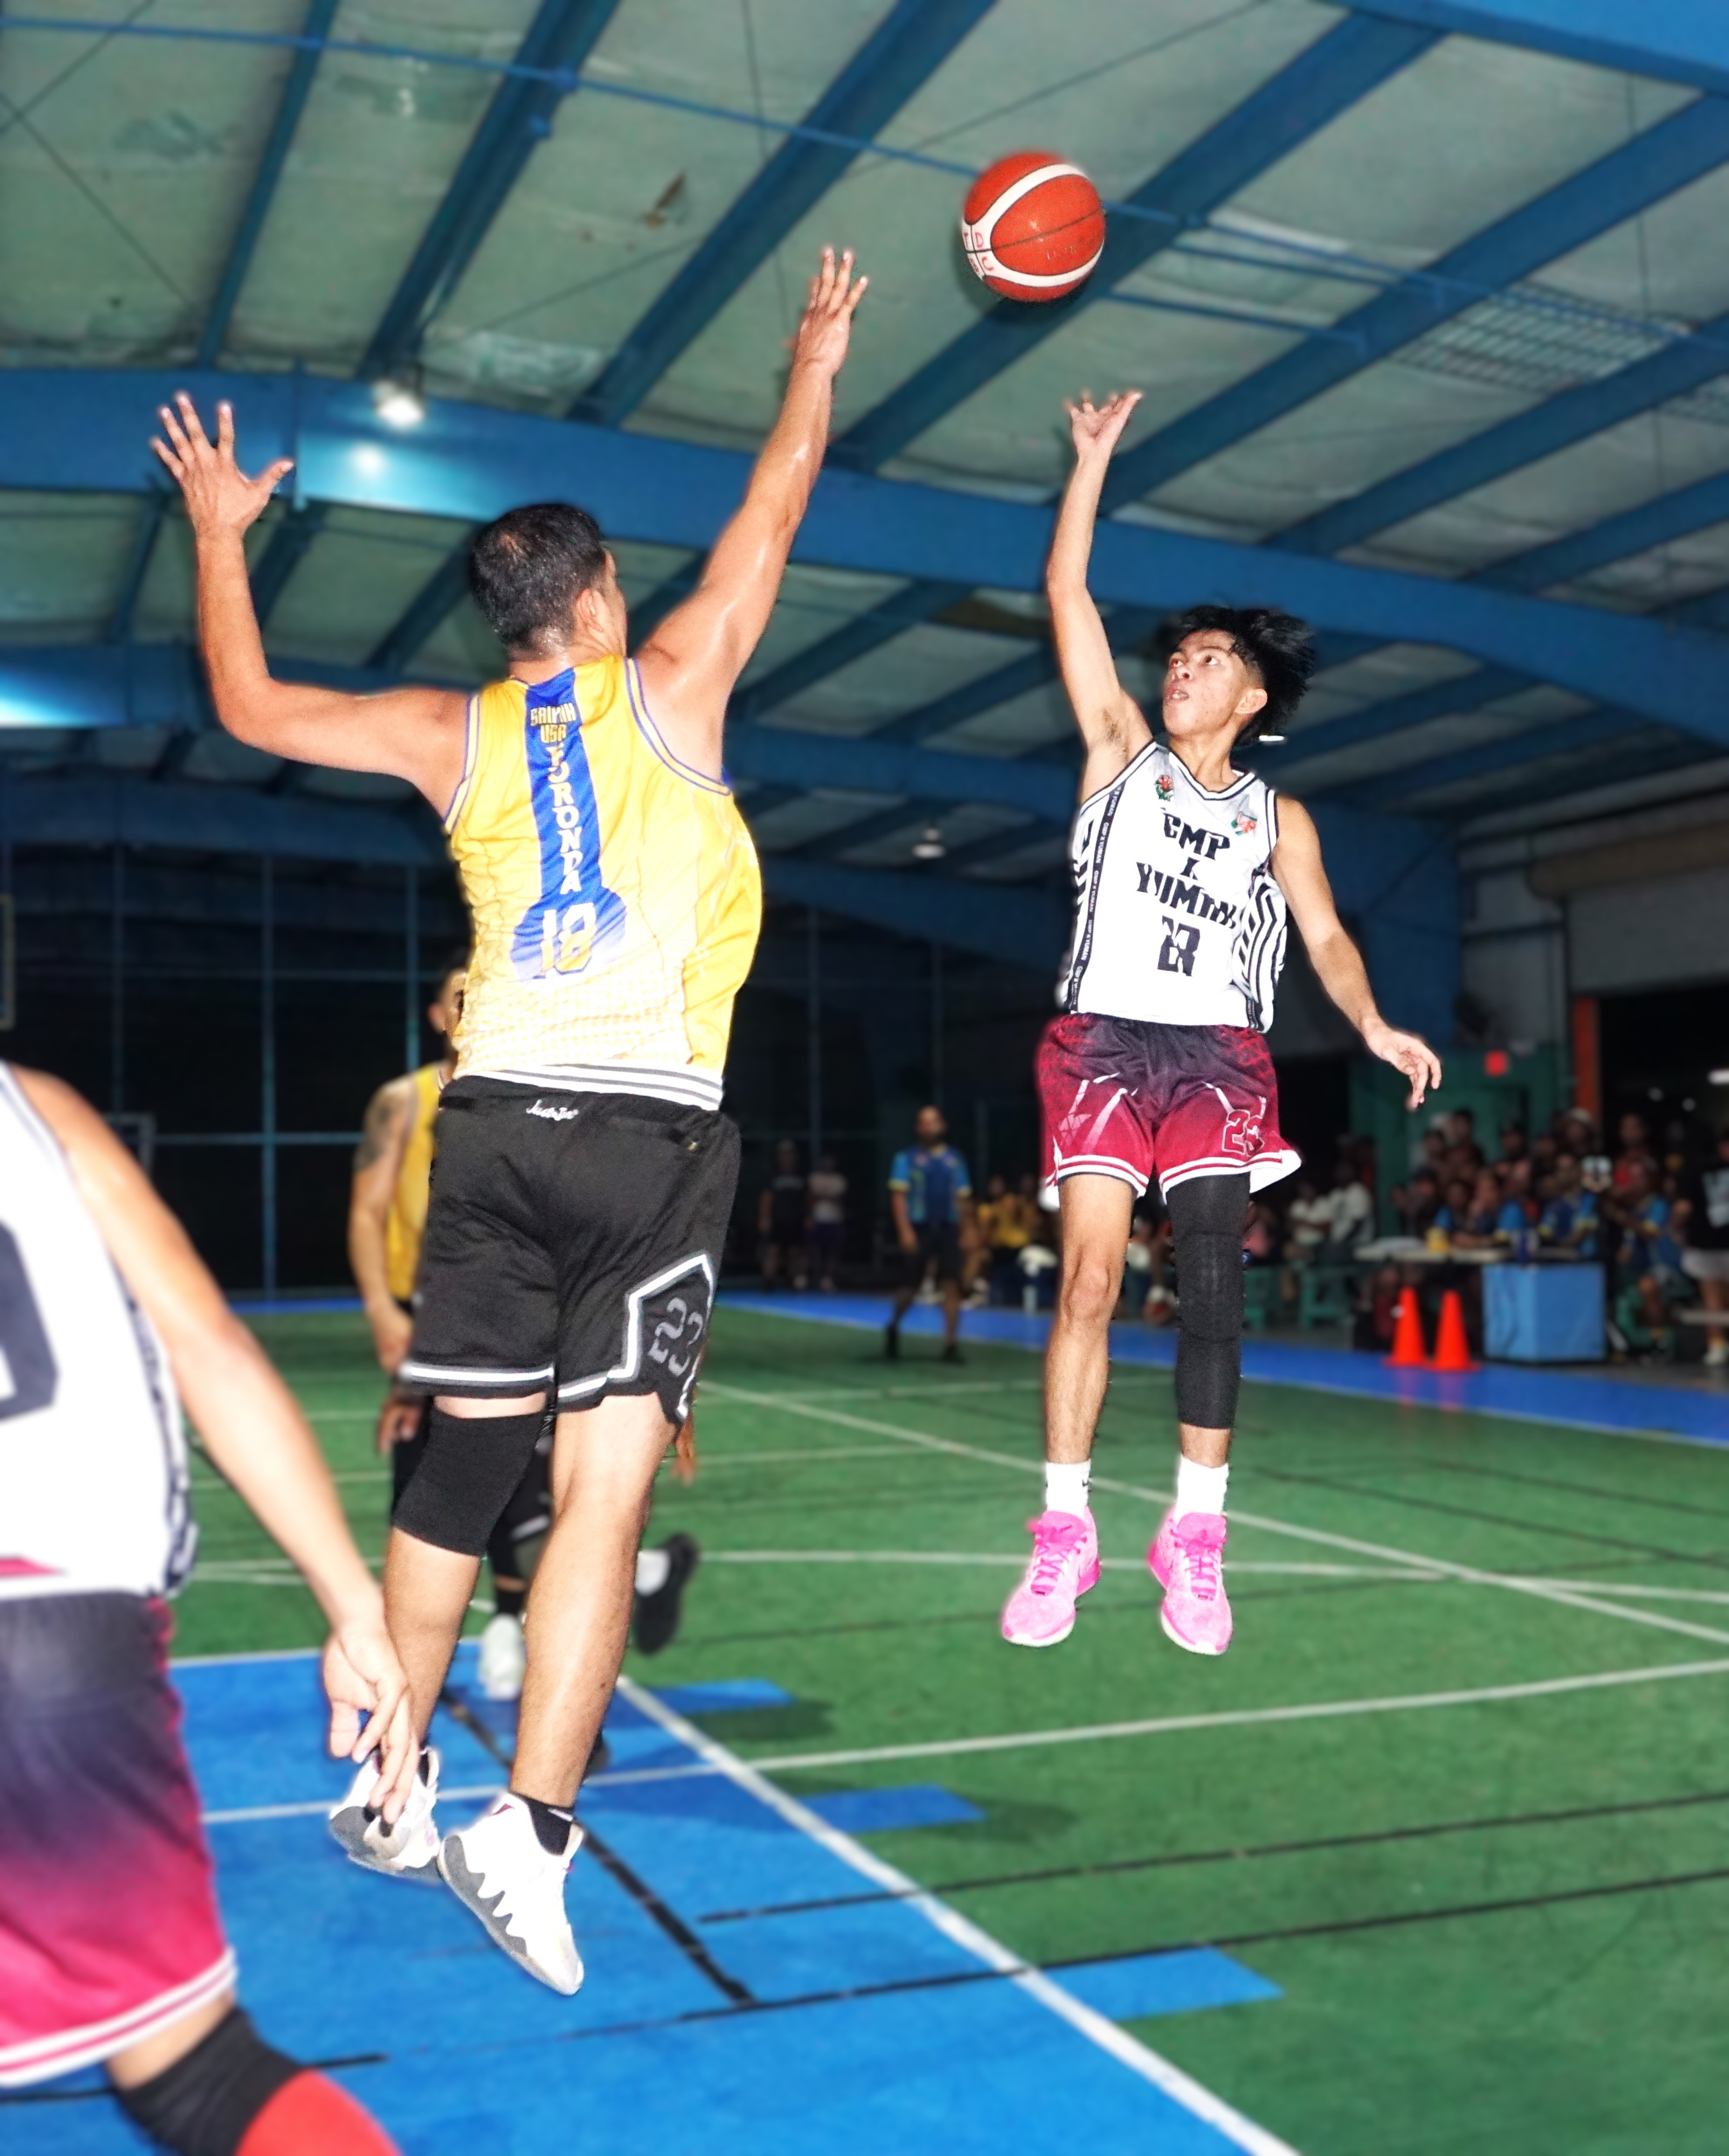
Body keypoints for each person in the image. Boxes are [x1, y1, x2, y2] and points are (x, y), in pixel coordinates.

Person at [150, 246, 868, 1994]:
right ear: (606, 597)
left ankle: (391, 1783)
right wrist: (815, 360)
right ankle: (524, 1838)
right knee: (599, 1502)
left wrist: (225, 530)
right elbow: (773, 507)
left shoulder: (444, 728)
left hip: (493, 1135)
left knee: (460, 1477)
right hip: (644, 1143)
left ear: (508, 622)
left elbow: (245, 708)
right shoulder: (675, 682)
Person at [1001, 387, 1440, 1659]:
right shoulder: (1117, 753)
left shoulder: (1277, 817)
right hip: (1099, 1039)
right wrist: (1087, 465)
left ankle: (1194, 1536)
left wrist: (1365, 1020)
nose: (1177, 669)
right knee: (1087, 1279)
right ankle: (1063, 1528)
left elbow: (1328, 938)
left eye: (1204, 660)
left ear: (1249, 695)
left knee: (1208, 1278)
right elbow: (1067, 595)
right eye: (1175, 657)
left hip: (1216, 1053)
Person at [0, 1063, 412, 2150]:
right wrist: (353, 1602)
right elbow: (208, 1346)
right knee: (195, 2072)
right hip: (64, 1634)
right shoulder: (36, 1104)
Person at [350, 958, 544, 1704]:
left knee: (510, 1475)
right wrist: (379, 1308)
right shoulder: (401, 1102)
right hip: (424, 1313)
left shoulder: (526, 1097)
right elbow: (368, 1212)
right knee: (427, 1486)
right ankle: (417, 1661)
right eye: (461, 996)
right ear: (438, 1016)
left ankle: (512, 1626)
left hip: (504, 1314)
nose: (473, 1005)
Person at [884, 1104, 974, 1363]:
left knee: (951, 1285)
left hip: (947, 1229)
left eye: (933, 1121)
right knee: (909, 1286)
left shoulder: (954, 1160)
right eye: (923, 1122)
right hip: (919, 1229)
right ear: (917, 1128)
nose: (929, 1126)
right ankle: (893, 1326)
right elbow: (899, 1198)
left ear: (942, 1126)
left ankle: (950, 1344)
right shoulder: (906, 1159)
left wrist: (967, 1229)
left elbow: (963, 1197)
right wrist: (905, 1231)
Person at [1679, 1126, 1729, 1368]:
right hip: (1706, 1243)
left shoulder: (1697, 1170)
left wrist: (1675, 1229)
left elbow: (1682, 1209)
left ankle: (1718, 1346)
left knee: (1715, 1297)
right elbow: (1684, 1208)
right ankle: (1717, 1344)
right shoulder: (1699, 1171)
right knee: (1712, 1297)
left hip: (1708, 1243)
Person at [757, 1139, 808, 1288]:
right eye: (784, 1154)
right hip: (778, 1219)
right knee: (773, 1251)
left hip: (795, 1219)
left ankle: (792, 1281)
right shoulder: (774, 1175)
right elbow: (766, 1198)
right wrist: (764, 1218)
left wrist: (808, 1216)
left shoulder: (801, 1176)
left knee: (794, 1252)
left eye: (790, 1154)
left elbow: (807, 1198)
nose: (787, 1157)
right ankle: (768, 1282)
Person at [805, 1152, 848, 1292]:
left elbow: (840, 1198)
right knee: (810, 1250)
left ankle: (827, 1280)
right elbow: (811, 1198)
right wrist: (809, 1216)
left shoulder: (839, 1180)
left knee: (832, 1252)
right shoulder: (814, 1178)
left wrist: (822, 1196)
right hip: (817, 1219)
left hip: (834, 1219)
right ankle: (804, 1277)